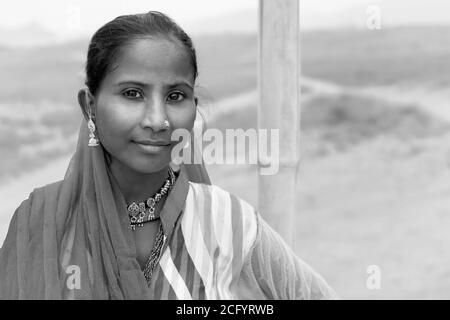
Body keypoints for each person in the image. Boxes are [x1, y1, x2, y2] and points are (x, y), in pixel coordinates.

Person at [0, 11, 337, 300]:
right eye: (132, 94)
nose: (158, 120)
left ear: (194, 107)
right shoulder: (41, 223)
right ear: (89, 106)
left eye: (176, 96)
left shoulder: (228, 222)